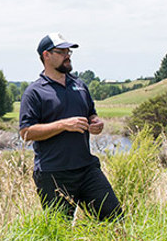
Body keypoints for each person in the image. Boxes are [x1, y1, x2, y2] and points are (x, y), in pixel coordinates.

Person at [19, 33, 122, 221]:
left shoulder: (80, 85)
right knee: (60, 232)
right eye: (61, 51)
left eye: (69, 51)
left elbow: (91, 113)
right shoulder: (34, 92)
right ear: (46, 55)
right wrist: (63, 125)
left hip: (87, 169)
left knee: (114, 219)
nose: (67, 55)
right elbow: (26, 132)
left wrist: (96, 122)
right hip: (54, 174)